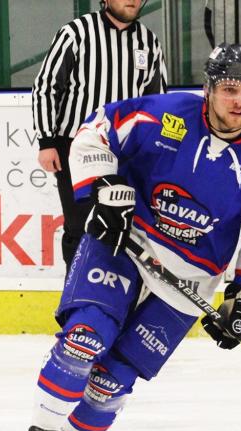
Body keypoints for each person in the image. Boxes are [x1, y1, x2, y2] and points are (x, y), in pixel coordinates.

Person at [13, 43, 241, 431]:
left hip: (191, 280)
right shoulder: (166, 115)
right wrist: (102, 187)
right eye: (229, 89)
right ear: (209, 88)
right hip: (125, 243)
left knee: (112, 382)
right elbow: (95, 133)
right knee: (84, 338)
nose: (238, 101)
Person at [32, 0, 167, 268]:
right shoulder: (75, 33)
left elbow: (157, 102)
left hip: (126, 151)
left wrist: (156, 151)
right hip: (76, 147)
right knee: (80, 225)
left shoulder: (149, 42)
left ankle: (115, 290)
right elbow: (46, 87)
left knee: (125, 227)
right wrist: (47, 141)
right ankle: (77, 291)